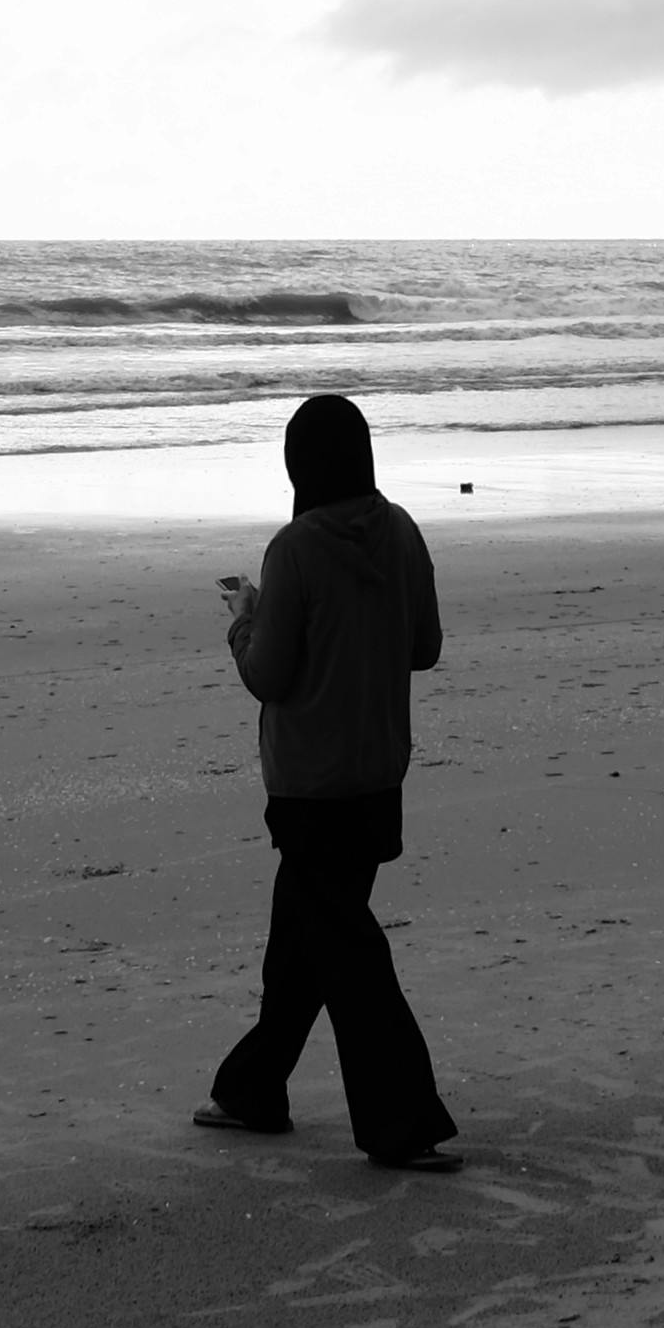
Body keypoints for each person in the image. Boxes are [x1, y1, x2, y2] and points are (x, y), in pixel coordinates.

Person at [195, 391, 460, 1170]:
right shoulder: (402, 530)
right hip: (379, 776)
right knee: (305, 944)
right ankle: (250, 1089)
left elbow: (268, 673)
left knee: (346, 954)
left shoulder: (295, 548)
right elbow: (426, 646)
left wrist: (246, 617)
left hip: (311, 788)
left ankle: (402, 1121)